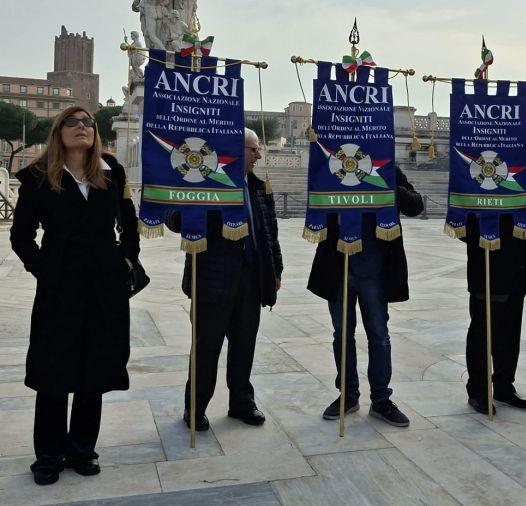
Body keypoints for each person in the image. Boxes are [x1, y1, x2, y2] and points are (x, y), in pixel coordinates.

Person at [10, 106, 140, 485]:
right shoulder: (36, 176)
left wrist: (125, 260)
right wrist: (44, 269)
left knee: (94, 368)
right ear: (58, 130)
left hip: (104, 288)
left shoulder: (112, 172)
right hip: (59, 288)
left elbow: (127, 222)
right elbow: (21, 236)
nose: (82, 127)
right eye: (73, 122)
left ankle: (82, 449)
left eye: (88, 123)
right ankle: (48, 456)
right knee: (54, 369)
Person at [167, 128, 283, 431]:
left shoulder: (259, 186)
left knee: (245, 345)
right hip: (212, 279)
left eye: (258, 150)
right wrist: (199, 195)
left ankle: (242, 403)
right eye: (253, 149)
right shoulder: (203, 181)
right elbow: (175, 221)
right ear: (236, 150)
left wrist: (276, 270)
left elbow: (270, 232)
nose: (259, 155)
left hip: (252, 277)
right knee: (206, 348)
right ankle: (196, 408)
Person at [307, 168, 423, 427]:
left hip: (377, 270)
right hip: (339, 268)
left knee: (379, 336)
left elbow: (415, 206)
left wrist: (390, 184)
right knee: (342, 335)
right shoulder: (332, 167)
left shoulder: (388, 169)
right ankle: (348, 394)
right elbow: (316, 208)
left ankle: (381, 399)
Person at [462, 214, 526, 415]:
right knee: (482, 337)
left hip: (517, 273)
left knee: (510, 336)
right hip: (488, 271)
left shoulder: (518, 188)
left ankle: (504, 386)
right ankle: (478, 391)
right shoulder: (475, 189)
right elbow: (462, 229)